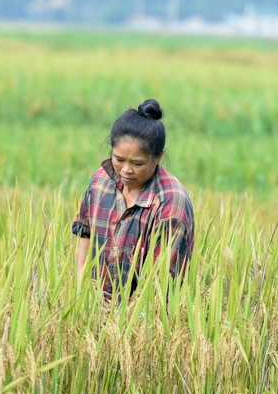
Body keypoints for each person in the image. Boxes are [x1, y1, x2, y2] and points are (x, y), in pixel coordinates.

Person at [72, 99, 195, 302]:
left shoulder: (171, 204)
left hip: (144, 320)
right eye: (119, 159)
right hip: (92, 309)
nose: (126, 170)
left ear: (159, 157)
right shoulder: (100, 182)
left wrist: (124, 324)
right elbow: (83, 231)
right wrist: (80, 283)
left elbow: (158, 284)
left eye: (137, 163)